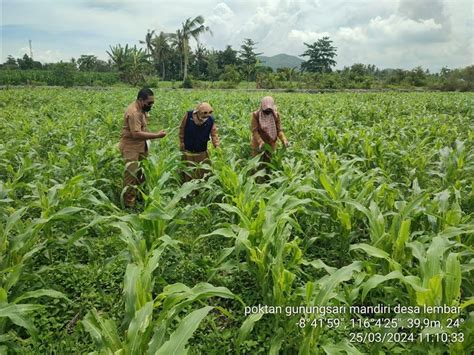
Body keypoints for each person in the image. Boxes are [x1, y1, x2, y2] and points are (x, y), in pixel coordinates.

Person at [119, 87, 166, 208]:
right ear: (140, 100)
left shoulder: (141, 109)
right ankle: (129, 205)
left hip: (141, 146)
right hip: (131, 148)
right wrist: (156, 135)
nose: (151, 105)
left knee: (141, 174)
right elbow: (136, 134)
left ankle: (138, 197)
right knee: (131, 177)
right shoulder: (134, 112)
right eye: (149, 103)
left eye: (152, 103)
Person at [179, 102, 220, 181]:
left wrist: (216, 145)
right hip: (188, 150)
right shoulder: (188, 115)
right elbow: (182, 129)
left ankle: (202, 189)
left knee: (202, 172)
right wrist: (181, 142)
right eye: (204, 113)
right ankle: (189, 190)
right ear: (198, 112)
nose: (207, 115)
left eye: (210, 113)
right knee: (189, 172)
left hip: (201, 150)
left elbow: (214, 134)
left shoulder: (210, 120)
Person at [251, 96, 289, 162]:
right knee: (256, 162)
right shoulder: (256, 115)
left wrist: (284, 140)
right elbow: (255, 131)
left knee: (269, 160)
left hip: (271, 142)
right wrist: (260, 142)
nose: (268, 111)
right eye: (266, 109)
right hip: (258, 142)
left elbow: (279, 130)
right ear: (262, 106)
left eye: (269, 109)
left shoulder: (276, 115)